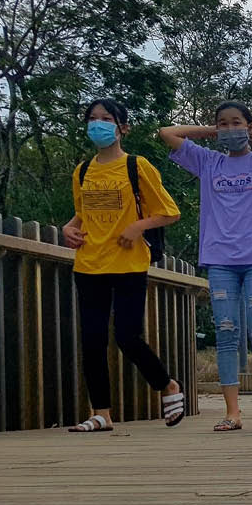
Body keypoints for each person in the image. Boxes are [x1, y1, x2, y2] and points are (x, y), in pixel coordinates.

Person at [158, 101, 252, 431]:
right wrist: (212, 132)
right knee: (227, 331)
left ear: (249, 128)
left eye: (236, 123)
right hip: (220, 260)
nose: (229, 128)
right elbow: (166, 133)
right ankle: (233, 412)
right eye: (223, 123)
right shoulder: (209, 162)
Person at [63, 98, 185, 432]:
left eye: (106, 119)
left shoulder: (137, 166)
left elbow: (170, 211)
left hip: (129, 262)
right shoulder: (83, 171)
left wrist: (138, 226)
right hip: (89, 263)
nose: (98, 124)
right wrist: (68, 227)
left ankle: (167, 385)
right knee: (92, 339)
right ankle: (101, 412)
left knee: (128, 337)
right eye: (92, 119)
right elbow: (84, 212)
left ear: (123, 128)